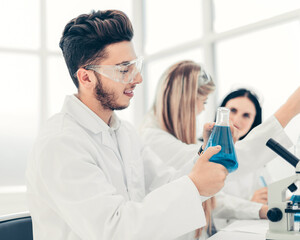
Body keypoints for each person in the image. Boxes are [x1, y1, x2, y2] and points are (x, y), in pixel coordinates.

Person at [26, 10, 229, 240]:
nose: (137, 78)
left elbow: (164, 183)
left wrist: (204, 157)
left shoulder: (124, 132)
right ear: (86, 78)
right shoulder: (61, 144)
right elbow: (113, 230)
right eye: (124, 69)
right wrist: (195, 186)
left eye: (135, 66)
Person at [140, 60, 300, 236]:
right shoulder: (153, 140)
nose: (202, 109)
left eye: (247, 115)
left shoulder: (175, 140)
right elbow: (223, 165)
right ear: (186, 100)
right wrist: (290, 108)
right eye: (203, 101)